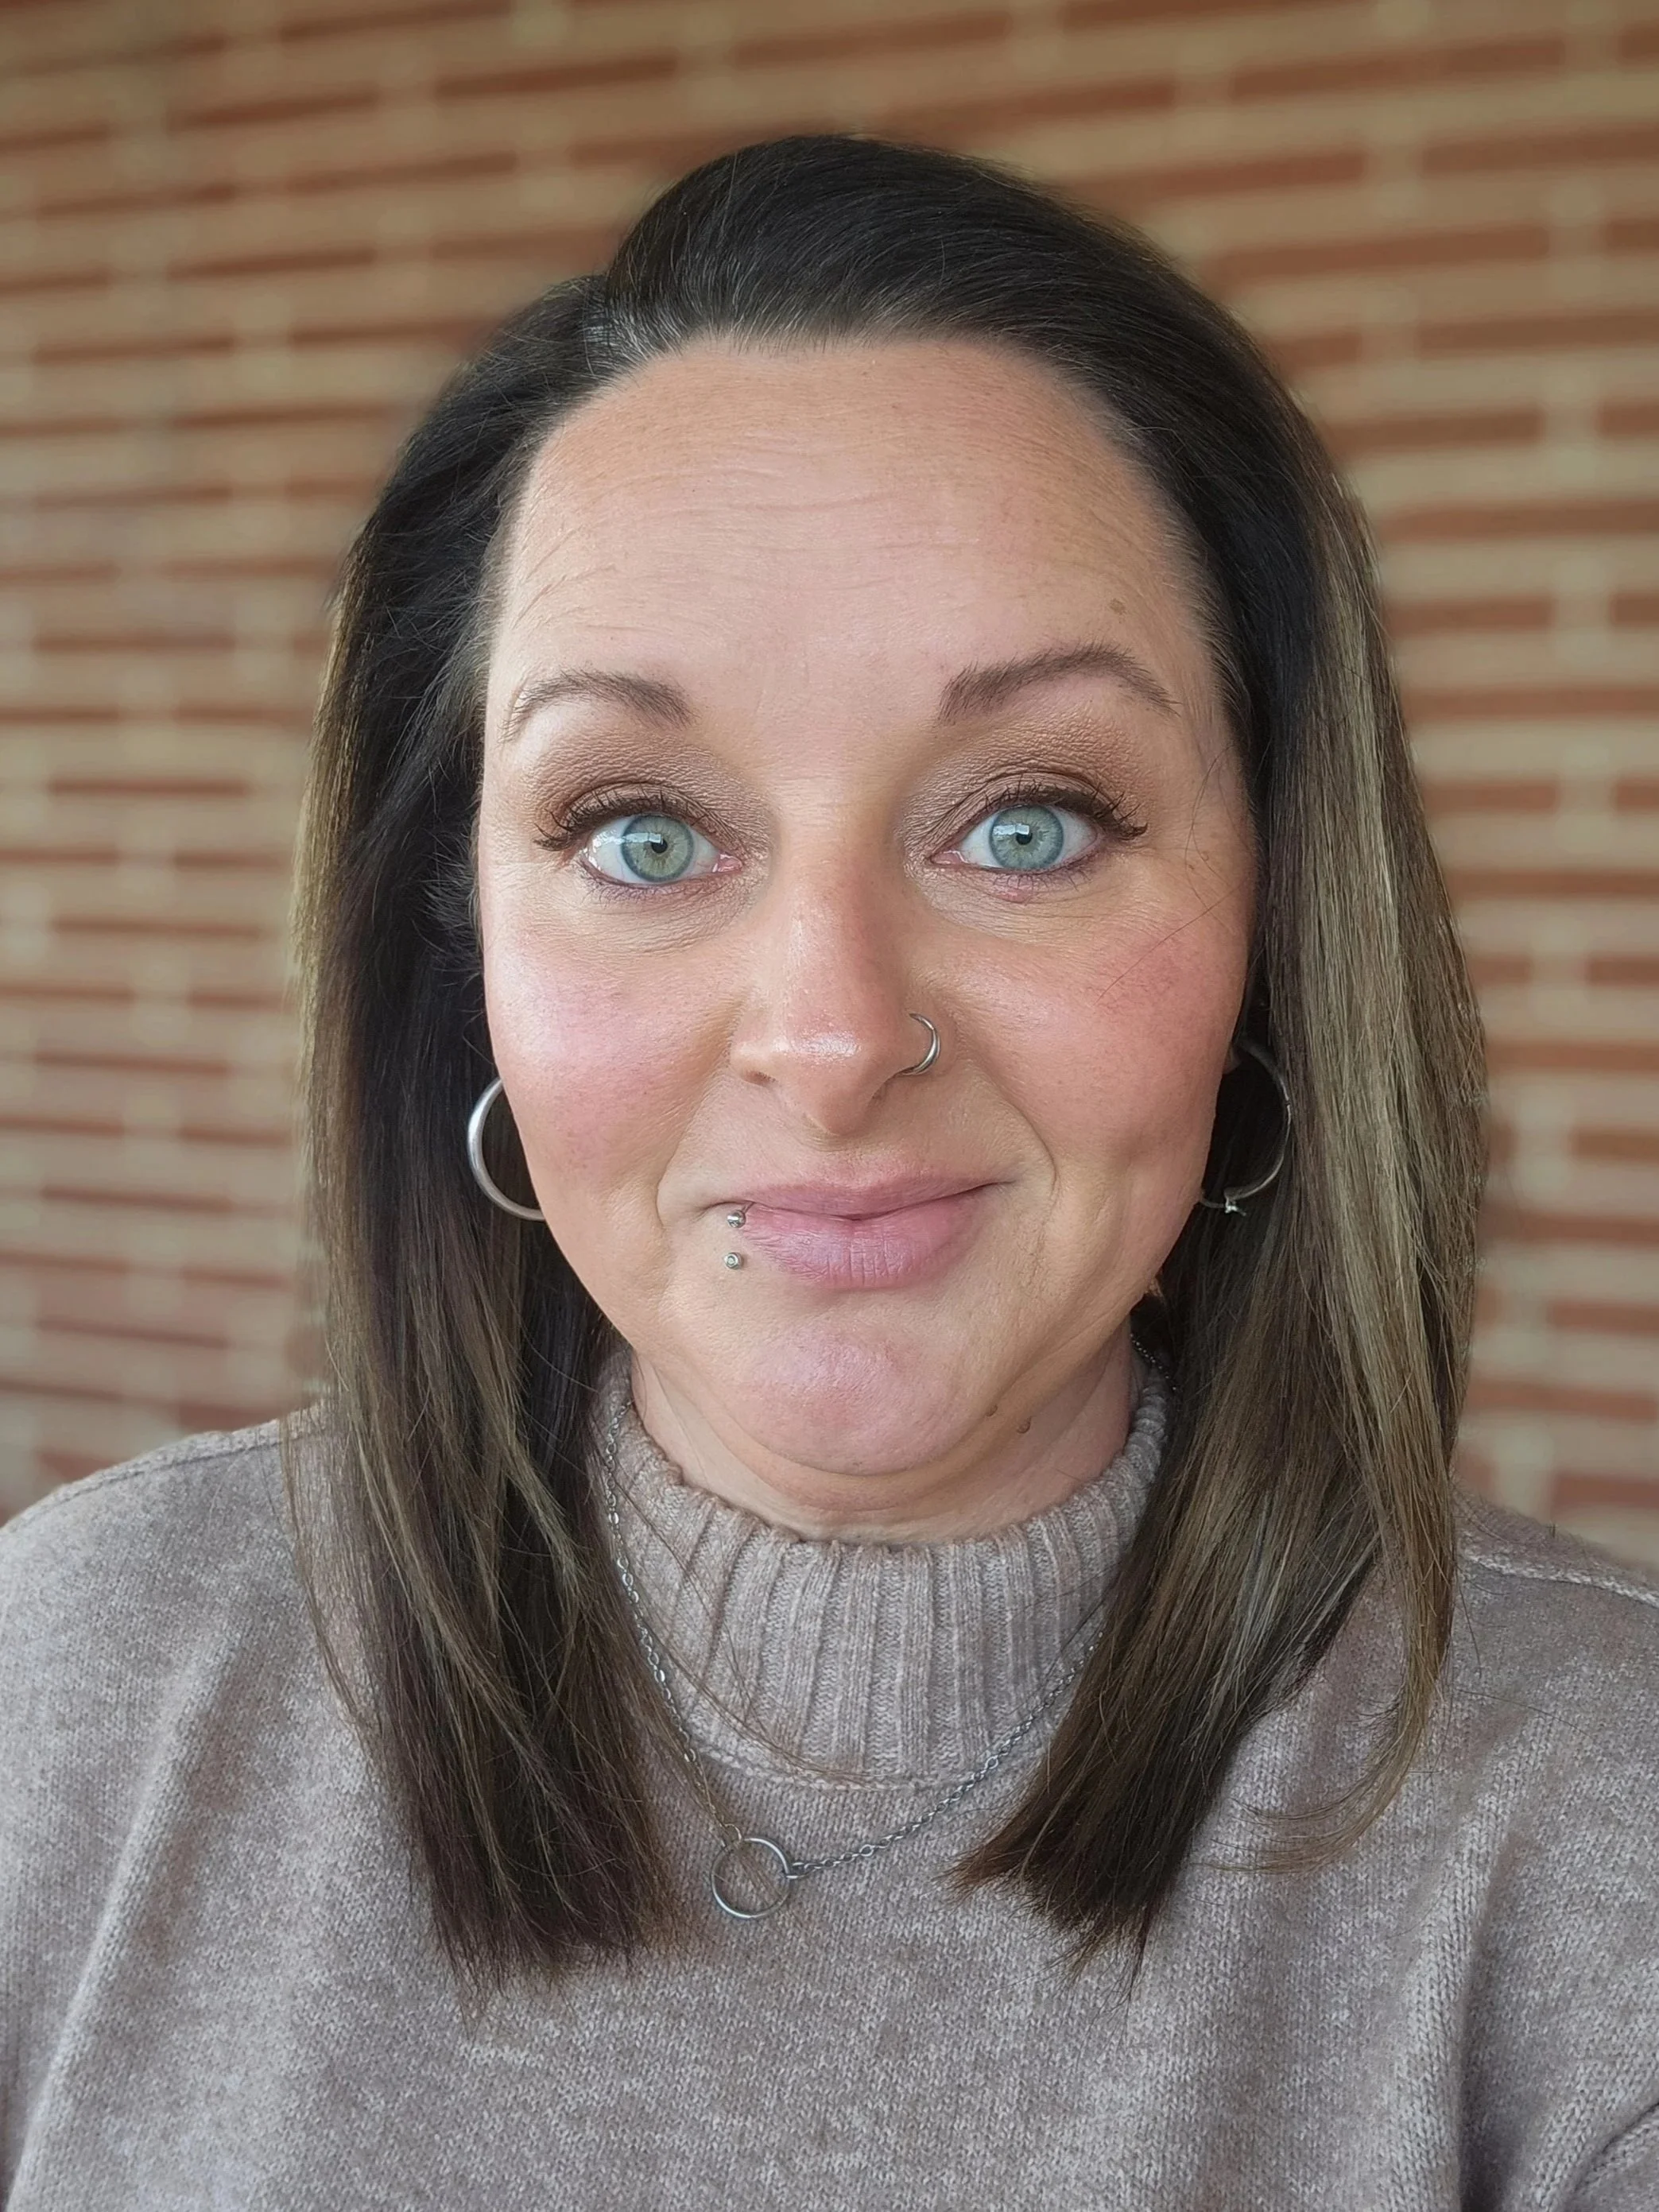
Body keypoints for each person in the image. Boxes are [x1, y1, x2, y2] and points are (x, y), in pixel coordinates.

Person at [2, 130, 1656, 2211]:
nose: (837, 1034)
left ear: (1275, 915)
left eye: (1030, 818)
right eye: (642, 831)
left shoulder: (1604, 1837)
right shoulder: (80, 1686)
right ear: (466, 950)